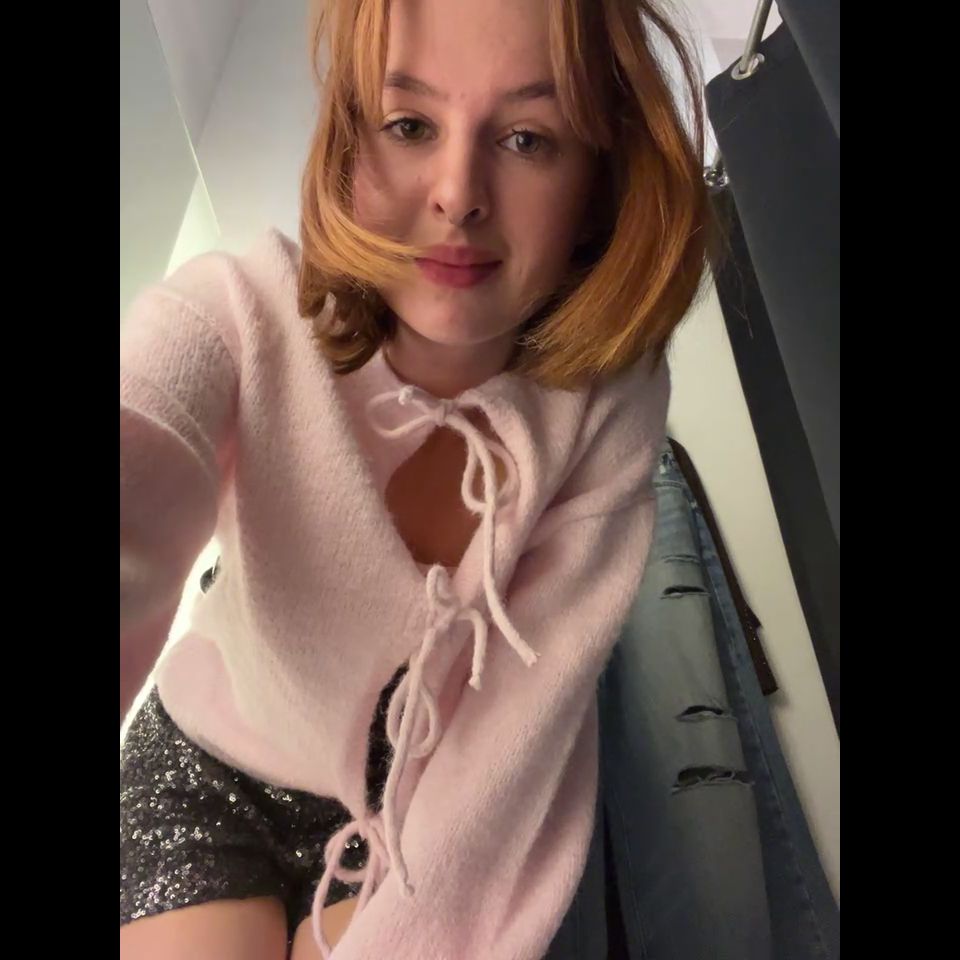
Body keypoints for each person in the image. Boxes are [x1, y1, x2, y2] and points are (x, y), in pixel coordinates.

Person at [119, 0, 713, 956]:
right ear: (351, 144)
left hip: (420, 803)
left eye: (527, 138)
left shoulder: (605, 409)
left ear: (598, 185)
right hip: (207, 769)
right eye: (409, 125)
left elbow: (509, 751)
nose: (457, 193)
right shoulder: (239, 313)